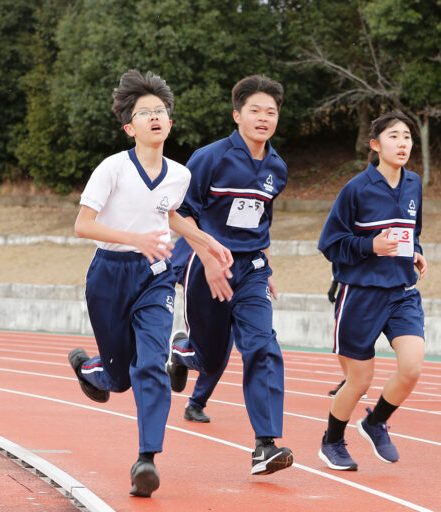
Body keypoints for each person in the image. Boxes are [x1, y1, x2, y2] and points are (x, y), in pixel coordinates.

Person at [66, 69, 232, 498]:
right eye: (145, 113)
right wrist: (135, 239)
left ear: (170, 122)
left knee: (150, 365)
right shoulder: (112, 168)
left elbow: (171, 215)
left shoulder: (179, 175)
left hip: (155, 276)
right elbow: (83, 225)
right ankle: (90, 368)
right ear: (130, 127)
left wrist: (206, 241)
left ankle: (146, 460)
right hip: (108, 275)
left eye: (161, 111)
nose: (155, 117)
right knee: (119, 379)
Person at [165, 75, 294, 475]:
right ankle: (185, 351)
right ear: (237, 115)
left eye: (270, 112)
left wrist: (265, 266)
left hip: (251, 268)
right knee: (214, 357)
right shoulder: (210, 158)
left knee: (262, 346)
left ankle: (266, 445)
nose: (263, 118)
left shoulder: (277, 167)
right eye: (254, 110)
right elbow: (178, 213)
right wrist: (205, 256)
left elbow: (261, 220)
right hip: (206, 265)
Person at [316, 111, 428, 472]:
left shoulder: (413, 184)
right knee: (359, 380)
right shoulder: (356, 190)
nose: (403, 143)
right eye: (394, 137)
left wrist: (418, 253)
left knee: (411, 368)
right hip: (361, 294)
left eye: (407, 137)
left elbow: (412, 232)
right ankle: (332, 441)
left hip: (402, 292)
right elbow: (330, 243)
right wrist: (370, 247)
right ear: (375, 145)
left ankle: (375, 422)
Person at [169, 238, 234, 424]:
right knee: (212, 355)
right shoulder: (202, 216)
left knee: (233, 348)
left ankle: (196, 403)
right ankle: (179, 352)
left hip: (243, 272)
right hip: (202, 273)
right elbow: (184, 220)